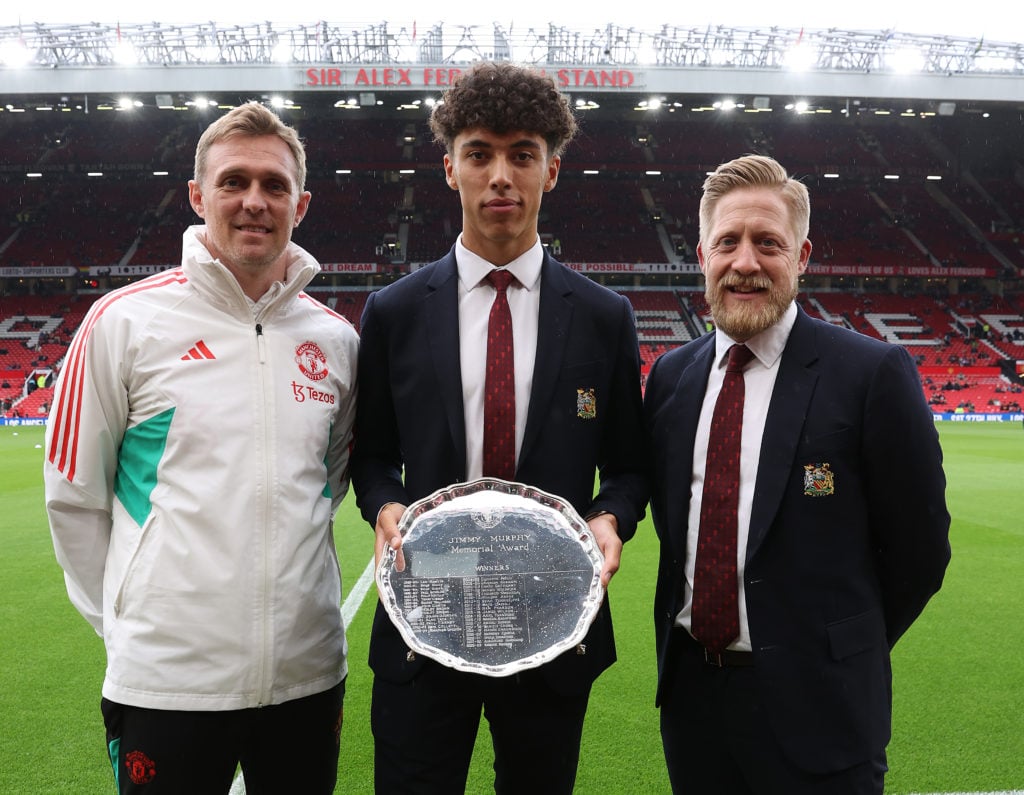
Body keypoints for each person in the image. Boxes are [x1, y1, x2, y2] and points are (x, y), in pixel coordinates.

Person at [43, 101, 358, 795]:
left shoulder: (335, 340)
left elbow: (327, 483)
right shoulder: (123, 321)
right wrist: (139, 625)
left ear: (300, 204)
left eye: (274, 185)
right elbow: (73, 498)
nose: (254, 201)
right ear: (197, 195)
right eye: (233, 181)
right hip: (166, 682)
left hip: (307, 675)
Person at [350, 61, 648, 794]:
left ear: (553, 168)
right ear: (449, 167)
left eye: (523, 154)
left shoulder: (605, 317)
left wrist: (612, 517)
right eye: (480, 152)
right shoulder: (393, 310)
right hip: (426, 613)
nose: (501, 175)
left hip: (552, 617)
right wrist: (385, 504)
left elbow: (632, 465)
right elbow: (373, 454)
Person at [644, 154, 951, 794]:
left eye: (768, 243)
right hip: (695, 704)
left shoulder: (871, 374)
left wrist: (834, 645)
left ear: (802, 255)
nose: (746, 263)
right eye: (727, 242)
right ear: (701, 254)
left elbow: (920, 551)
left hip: (823, 706)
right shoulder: (672, 378)